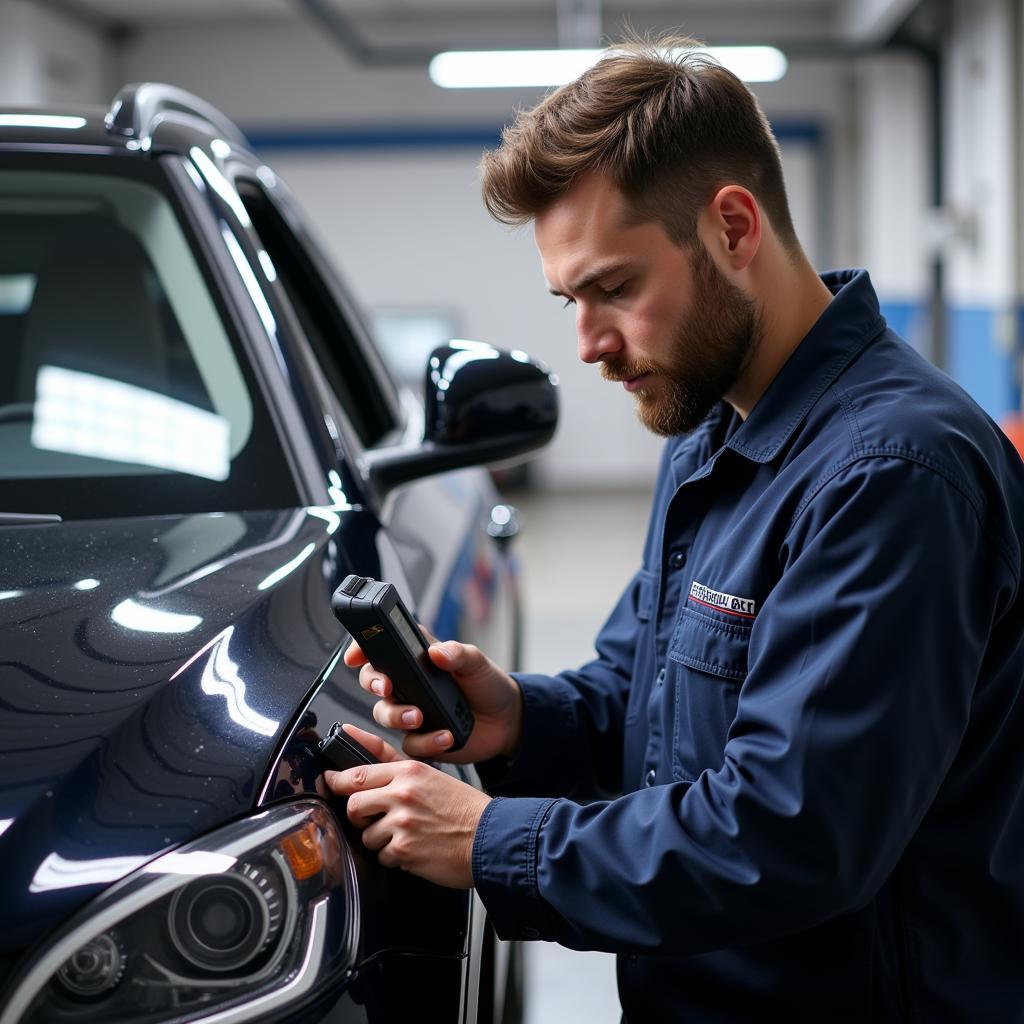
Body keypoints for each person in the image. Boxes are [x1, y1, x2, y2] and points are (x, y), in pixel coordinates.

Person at [326, 36, 1024, 1021]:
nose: (589, 346)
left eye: (615, 288)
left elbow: (789, 835)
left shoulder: (892, 474)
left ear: (732, 226)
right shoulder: (708, 425)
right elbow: (642, 690)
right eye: (571, 300)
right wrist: (521, 714)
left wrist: (488, 838)